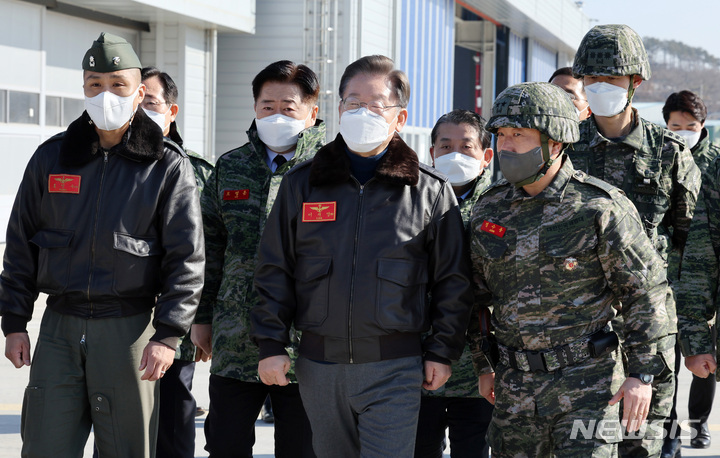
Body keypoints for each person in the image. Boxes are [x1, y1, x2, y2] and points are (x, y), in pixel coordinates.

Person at [250, 54, 473, 458]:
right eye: (353, 102)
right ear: (338, 109)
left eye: (375, 105)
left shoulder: (430, 191)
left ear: (400, 117)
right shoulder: (303, 184)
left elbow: (452, 281)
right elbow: (275, 268)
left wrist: (442, 350)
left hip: (395, 367)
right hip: (319, 367)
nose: (361, 112)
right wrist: (271, 343)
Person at [0, 32, 204, 457]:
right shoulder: (51, 158)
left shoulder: (166, 165)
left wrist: (167, 335)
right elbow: (21, 245)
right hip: (59, 327)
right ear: (83, 89)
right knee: (44, 444)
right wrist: (15, 321)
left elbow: (186, 258)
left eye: (117, 85)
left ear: (139, 92)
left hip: (129, 329)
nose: (105, 93)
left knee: (128, 448)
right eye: (95, 84)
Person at [467, 81, 669, 457]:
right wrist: (484, 364)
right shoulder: (487, 211)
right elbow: (476, 298)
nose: (506, 145)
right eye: (502, 135)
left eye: (519, 135)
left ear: (555, 143)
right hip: (515, 393)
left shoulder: (599, 208)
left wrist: (641, 374)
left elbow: (644, 293)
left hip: (587, 387)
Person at [570, 24, 701, 458]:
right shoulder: (562, 149)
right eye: (591, 79)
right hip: (575, 339)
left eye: (611, 78)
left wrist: (688, 328)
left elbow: (693, 247)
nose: (599, 87)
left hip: (648, 337)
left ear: (635, 82)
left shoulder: (668, 154)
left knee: (639, 449)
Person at [191, 60, 324, 458]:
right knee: (226, 443)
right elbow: (210, 246)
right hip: (234, 337)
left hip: (307, 343)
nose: (277, 115)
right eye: (268, 106)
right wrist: (201, 317)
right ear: (254, 108)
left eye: (288, 106)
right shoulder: (231, 167)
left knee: (300, 447)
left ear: (311, 112)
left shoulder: (331, 170)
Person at [141, 66, 214, 458]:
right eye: (135, 102)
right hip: (120, 322)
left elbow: (206, 251)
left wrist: (201, 320)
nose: (140, 111)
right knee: (119, 430)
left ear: (172, 111)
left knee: (172, 422)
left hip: (175, 326)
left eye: (150, 103)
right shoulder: (108, 162)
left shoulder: (198, 171)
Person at [415, 109, 494, 458]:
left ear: (486, 156)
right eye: (445, 146)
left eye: (467, 146)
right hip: (420, 362)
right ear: (431, 153)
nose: (455, 155)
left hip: (481, 369)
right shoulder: (409, 201)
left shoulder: (503, 206)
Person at [663, 90, 718, 453]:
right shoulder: (656, 159)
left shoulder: (713, 163)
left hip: (702, 271)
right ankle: (666, 431)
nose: (683, 132)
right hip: (667, 273)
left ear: (703, 127)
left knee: (703, 356)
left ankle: (698, 424)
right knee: (665, 358)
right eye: (675, 126)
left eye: (690, 127)